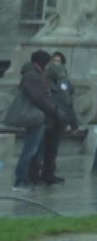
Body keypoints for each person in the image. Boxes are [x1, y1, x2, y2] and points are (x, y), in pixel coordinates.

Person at [10, 51, 63, 190]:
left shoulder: (36, 75)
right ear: (41, 62)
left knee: (36, 151)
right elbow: (39, 98)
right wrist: (54, 110)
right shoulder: (32, 75)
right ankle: (20, 180)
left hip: (40, 117)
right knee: (30, 149)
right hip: (35, 116)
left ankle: (30, 179)